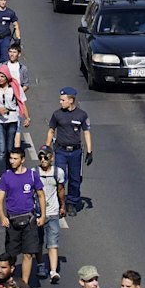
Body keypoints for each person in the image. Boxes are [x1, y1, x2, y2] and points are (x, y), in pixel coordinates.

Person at [0, 149, 45, 285]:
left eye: (15, 158)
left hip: (29, 219)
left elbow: (41, 195)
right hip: (12, 220)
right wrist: (2, 217)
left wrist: (43, 216)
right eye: (11, 158)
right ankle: (9, 282)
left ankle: (24, 284)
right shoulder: (6, 177)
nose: (12, 161)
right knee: (11, 255)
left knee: (28, 254)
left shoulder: (32, 175)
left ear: (22, 160)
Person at [45, 86, 92, 217]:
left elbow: (86, 132)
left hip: (76, 152)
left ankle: (71, 202)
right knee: (60, 177)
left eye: (63, 100)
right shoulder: (57, 114)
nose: (60, 102)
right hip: (61, 151)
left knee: (75, 178)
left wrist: (89, 151)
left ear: (71, 100)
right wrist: (46, 148)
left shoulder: (81, 115)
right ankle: (59, 202)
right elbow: (51, 131)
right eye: (60, 100)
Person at [0, 66, 28, 176]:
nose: (0, 79)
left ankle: (9, 172)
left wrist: (27, 117)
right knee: (1, 150)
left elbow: (22, 102)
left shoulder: (15, 87)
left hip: (12, 120)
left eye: (2, 76)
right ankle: (1, 175)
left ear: (7, 77)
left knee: (9, 149)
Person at [34, 144, 65, 283]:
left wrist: (63, 206)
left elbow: (61, 190)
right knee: (38, 242)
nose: (43, 160)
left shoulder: (58, 172)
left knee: (52, 243)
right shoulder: (34, 173)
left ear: (51, 158)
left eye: (45, 157)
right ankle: (41, 265)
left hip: (52, 213)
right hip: (37, 213)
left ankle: (53, 271)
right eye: (40, 157)